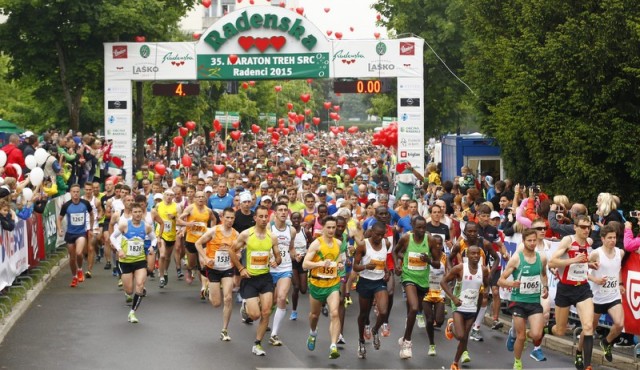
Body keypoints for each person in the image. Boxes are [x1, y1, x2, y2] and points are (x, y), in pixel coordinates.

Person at [229, 206, 281, 356]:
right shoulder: (246, 234)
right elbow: (232, 250)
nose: (264, 219)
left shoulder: (272, 237)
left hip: (265, 278)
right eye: (261, 217)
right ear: (255, 218)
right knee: (255, 315)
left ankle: (257, 344)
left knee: (266, 312)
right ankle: (246, 309)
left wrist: (276, 261)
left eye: (266, 216)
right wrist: (240, 269)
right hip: (250, 278)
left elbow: (278, 256)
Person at [549, 215, 597, 370]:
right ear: (575, 227)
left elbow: (583, 262)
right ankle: (547, 328)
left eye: (588, 227)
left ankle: (587, 363)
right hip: (565, 289)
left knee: (588, 327)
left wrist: (590, 264)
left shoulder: (589, 242)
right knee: (560, 331)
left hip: (582, 288)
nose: (586, 230)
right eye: (582, 227)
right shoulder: (567, 241)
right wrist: (574, 260)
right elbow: (552, 262)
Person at [499, 228, 549, 370]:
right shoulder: (517, 258)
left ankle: (523, 337)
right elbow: (501, 281)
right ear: (524, 241)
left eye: (534, 240)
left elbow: (544, 274)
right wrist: (511, 283)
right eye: (529, 240)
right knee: (521, 336)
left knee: (537, 334)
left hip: (534, 301)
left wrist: (545, 287)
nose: (532, 243)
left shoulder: (541, 258)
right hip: (519, 301)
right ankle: (518, 362)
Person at [394, 216, 441, 359]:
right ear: (412, 226)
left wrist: (428, 261)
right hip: (408, 276)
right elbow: (396, 252)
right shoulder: (406, 238)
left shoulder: (430, 240)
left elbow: (437, 263)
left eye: (423, 228)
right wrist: (398, 264)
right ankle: (407, 343)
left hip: (423, 281)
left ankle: (404, 338)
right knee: (414, 308)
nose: (421, 230)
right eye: (418, 227)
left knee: (414, 311)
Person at [578, 224, 624, 364]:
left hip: (613, 296)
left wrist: (620, 284)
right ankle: (579, 352)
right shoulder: (596, 253)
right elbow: (582, 270)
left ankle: (606, 342)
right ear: (602, 239)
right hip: (597, 298)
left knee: (619, 324)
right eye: (609, 238)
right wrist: (595, 279)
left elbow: (618, 269)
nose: (612, 240)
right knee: (589, 329)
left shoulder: (620, 252)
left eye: (614, 237)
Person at [441, 244, 489, 370]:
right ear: (467, 255)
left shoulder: (483, 270)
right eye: (472, 253)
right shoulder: (460, 268)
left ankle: (455, 363)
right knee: (461, 336)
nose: (475, 256)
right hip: (458, 305)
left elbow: (487, 283)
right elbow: (443, 282)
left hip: (473, 307)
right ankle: (451, 326)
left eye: (478, 253)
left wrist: (486, 292)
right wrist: (453, 297)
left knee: (464, 339)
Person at [303, 216, 345, 360]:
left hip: (332, 284)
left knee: (334, 313)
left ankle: (333, 345)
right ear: (323, 228)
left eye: (334, 227)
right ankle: (313, 332)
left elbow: (339, 260)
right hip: (316, 284)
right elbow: (305, 264)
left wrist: (339, 265)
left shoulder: (338, 243)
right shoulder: (316, 244)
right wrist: (320, 264)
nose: (332, 230)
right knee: (315, 315)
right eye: (329, 227)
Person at [195, 208, 239, 342]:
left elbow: (238, 253)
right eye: (228, 218)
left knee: (228, 298)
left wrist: (235, 254)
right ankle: (208, 287)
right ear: (222, 218)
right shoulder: (214, 231)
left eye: (232, 218)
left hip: (227, 269)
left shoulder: (236, 234)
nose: (230, 220)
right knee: (216, 303)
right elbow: (198, 243)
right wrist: (205, 258)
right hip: (213, 268)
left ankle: (224, 329)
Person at [110, 202, 154, 323]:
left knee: (139, 285)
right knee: (129, 290)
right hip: (126, 262)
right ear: (132, 213)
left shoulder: (146, 226)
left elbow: (154, 239)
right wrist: (119, 250)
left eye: (140, 212)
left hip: (140, 260)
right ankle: (129, 294)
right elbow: (112, 237)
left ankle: (132, 312)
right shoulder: (125, 225)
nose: (138, 214)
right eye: (135, 212)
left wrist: (152, 247)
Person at [353, 221, 391, 359]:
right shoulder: (363, 245)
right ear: (371, 232)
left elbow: (383, 261)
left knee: (383, 311)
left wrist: (387, 272)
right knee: (363, 314)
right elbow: (355, 267)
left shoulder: (386, 244)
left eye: (382, 235)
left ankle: (375, 330)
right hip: (365, 282)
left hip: (379, 282)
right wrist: (365, 267)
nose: (379, 238)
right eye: (377, 235)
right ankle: (361, 341)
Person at [178, 190, 216, 299]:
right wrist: (188, 224)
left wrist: (211, 230)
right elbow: (179, 220)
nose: (200, 199)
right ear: (195, 198)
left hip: (203, 240)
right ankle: (189, 270)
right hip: (191, 240)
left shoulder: (208, 211)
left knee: (203, 263)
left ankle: (204, 287)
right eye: (198, 197)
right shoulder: (190, 208)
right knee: (191, 263)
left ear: (205, 199)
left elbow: (213, 219)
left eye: (202, 197)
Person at [268, 202, 296, 346]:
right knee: (269, 302)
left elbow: (290, 248)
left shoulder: (291, 231)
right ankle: (248, 308)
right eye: (280, 210)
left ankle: (274, 333)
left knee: (281, 297)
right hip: (269, 269)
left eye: (286, 210)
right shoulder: (269, 227)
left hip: (285, 268)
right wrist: (270, 259)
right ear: (275, 213)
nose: (283, 212)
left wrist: (295, 255)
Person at [57, 184, 93, 287]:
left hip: (81, 233)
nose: (76, 193)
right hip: (70, 234)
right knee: (72, 258)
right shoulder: (66, 205)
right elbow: (59, 218)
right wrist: (59, 229)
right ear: (70, 193)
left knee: (79, 253)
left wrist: (89, 228)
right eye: (74, 192)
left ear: (79, 193)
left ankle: (80, 269)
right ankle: (74, 277)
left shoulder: (85, 203)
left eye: (77, 191)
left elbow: (91, 214)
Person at [423, 234, 447, 356]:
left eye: (440, 243)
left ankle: (444, 324)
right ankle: (432, 344)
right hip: (426, 292)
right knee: (429, 320)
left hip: (439, 293)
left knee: (439, 321)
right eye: (435, 243)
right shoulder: (425, 256)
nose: (437, 246)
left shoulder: (445, 257)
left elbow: (449, 273)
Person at [156, 189, 180, 288]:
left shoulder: (177, 206)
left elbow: (180, 220)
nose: (169, 197)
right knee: (162, 255)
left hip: (171, 234)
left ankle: (165, 271)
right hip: (161, 234)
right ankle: (161, 276)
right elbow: (154, 218)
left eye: (171, 195)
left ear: (173, 197)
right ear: (163, 195)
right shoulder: (158, 205)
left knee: (167, 257)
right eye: (167, 195)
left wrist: (174, 217)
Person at [290, 211, 310, 321]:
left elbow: (312, 244)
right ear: (291, 219)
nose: (296, 221)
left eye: (298, 218)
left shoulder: (305, 231)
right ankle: (294, 311)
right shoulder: (288, 232)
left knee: (303, 290)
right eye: (294, 218)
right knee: (296, 287)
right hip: (292, 262)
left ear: (301, 219)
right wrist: (293, 256)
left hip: (302, 261)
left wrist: (307, 254)